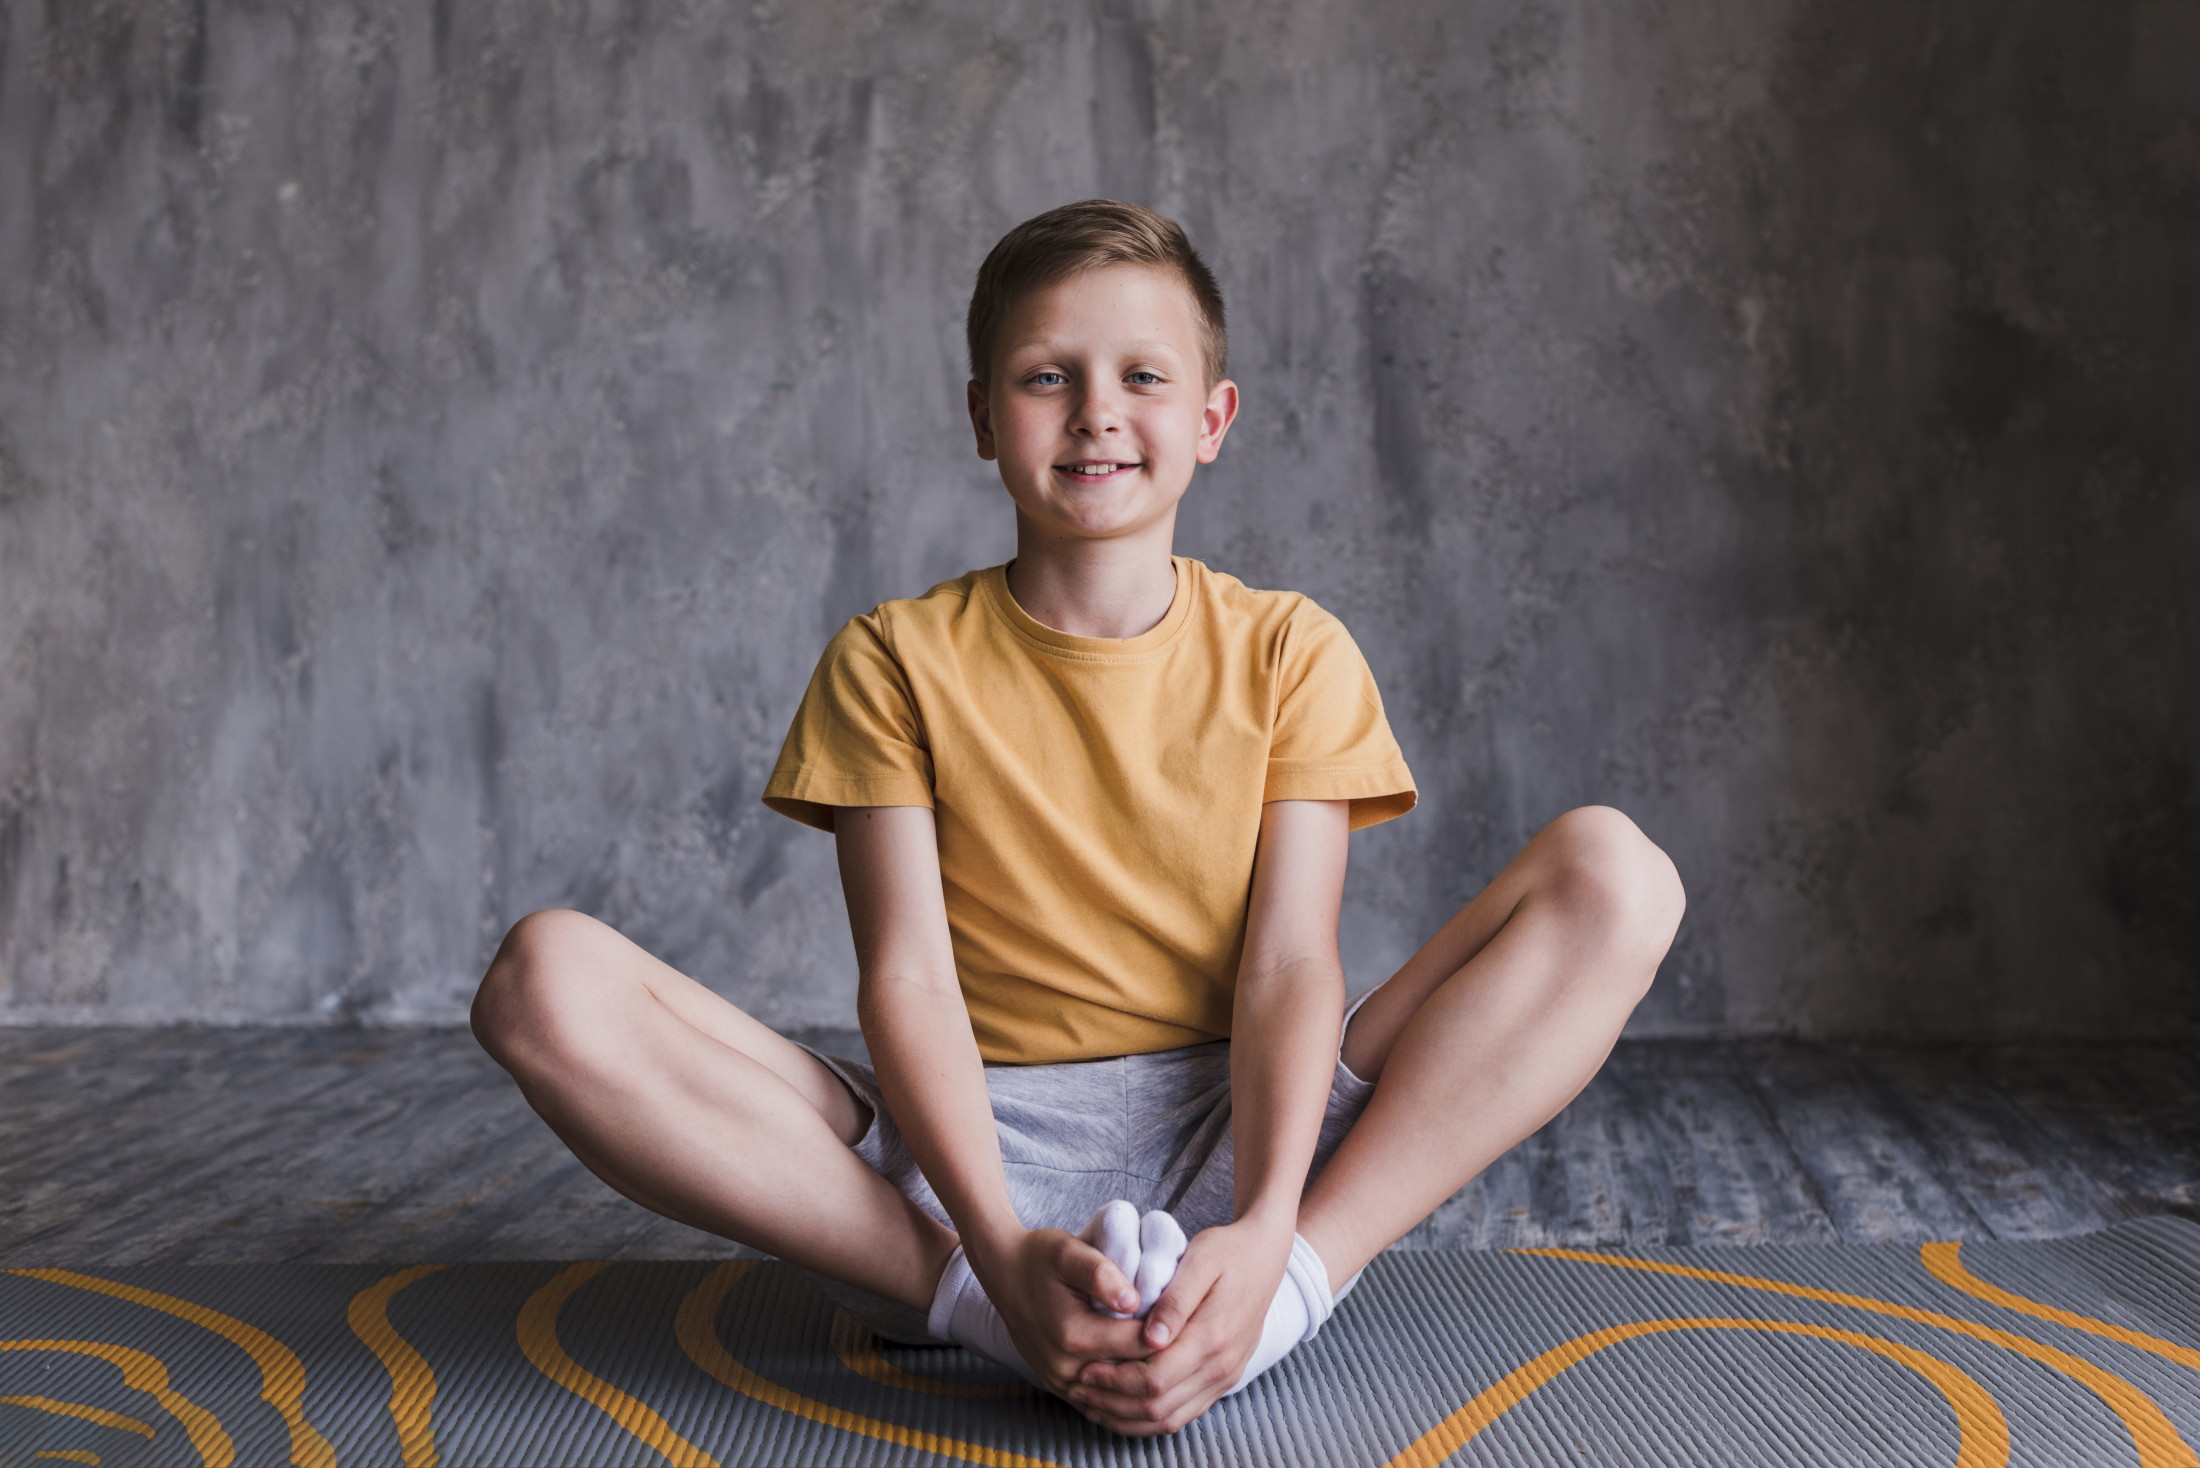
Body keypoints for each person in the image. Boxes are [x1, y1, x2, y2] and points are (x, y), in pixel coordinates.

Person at [470, 199, 1684, 1436]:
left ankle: (1278, 1295)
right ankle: (975, 1306)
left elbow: (1285, 964)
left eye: (1141, 376)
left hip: (1247, 1131)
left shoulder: (1289, 651)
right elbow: (909, 983)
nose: (1097, 410)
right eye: (1048, 376)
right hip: (963, 1169)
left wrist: (1267, 1225)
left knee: (1615, 871)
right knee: (541, 977)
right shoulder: (892, 659)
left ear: (1211, 420)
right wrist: (992, 1243)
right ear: (984, 419)